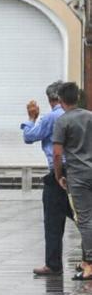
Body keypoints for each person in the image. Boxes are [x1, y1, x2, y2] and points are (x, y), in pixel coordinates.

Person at [21, 81, 72, 276]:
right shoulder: (80, 115)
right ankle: (87, 260)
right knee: (82, 217)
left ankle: (53, 264)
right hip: (79, 172)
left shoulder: (52, 117)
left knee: (52, 221)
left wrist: (32, 118)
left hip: (58, 173)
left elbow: (29, 137)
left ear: (53, 99)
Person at [53, 82, 92, 280]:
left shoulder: (62, 121)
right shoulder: (90, 116)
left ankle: (89, 264)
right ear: (77, 98)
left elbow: (58, 154)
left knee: (84, 219)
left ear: (60, 100)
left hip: (78, 175)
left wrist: (59, 175)